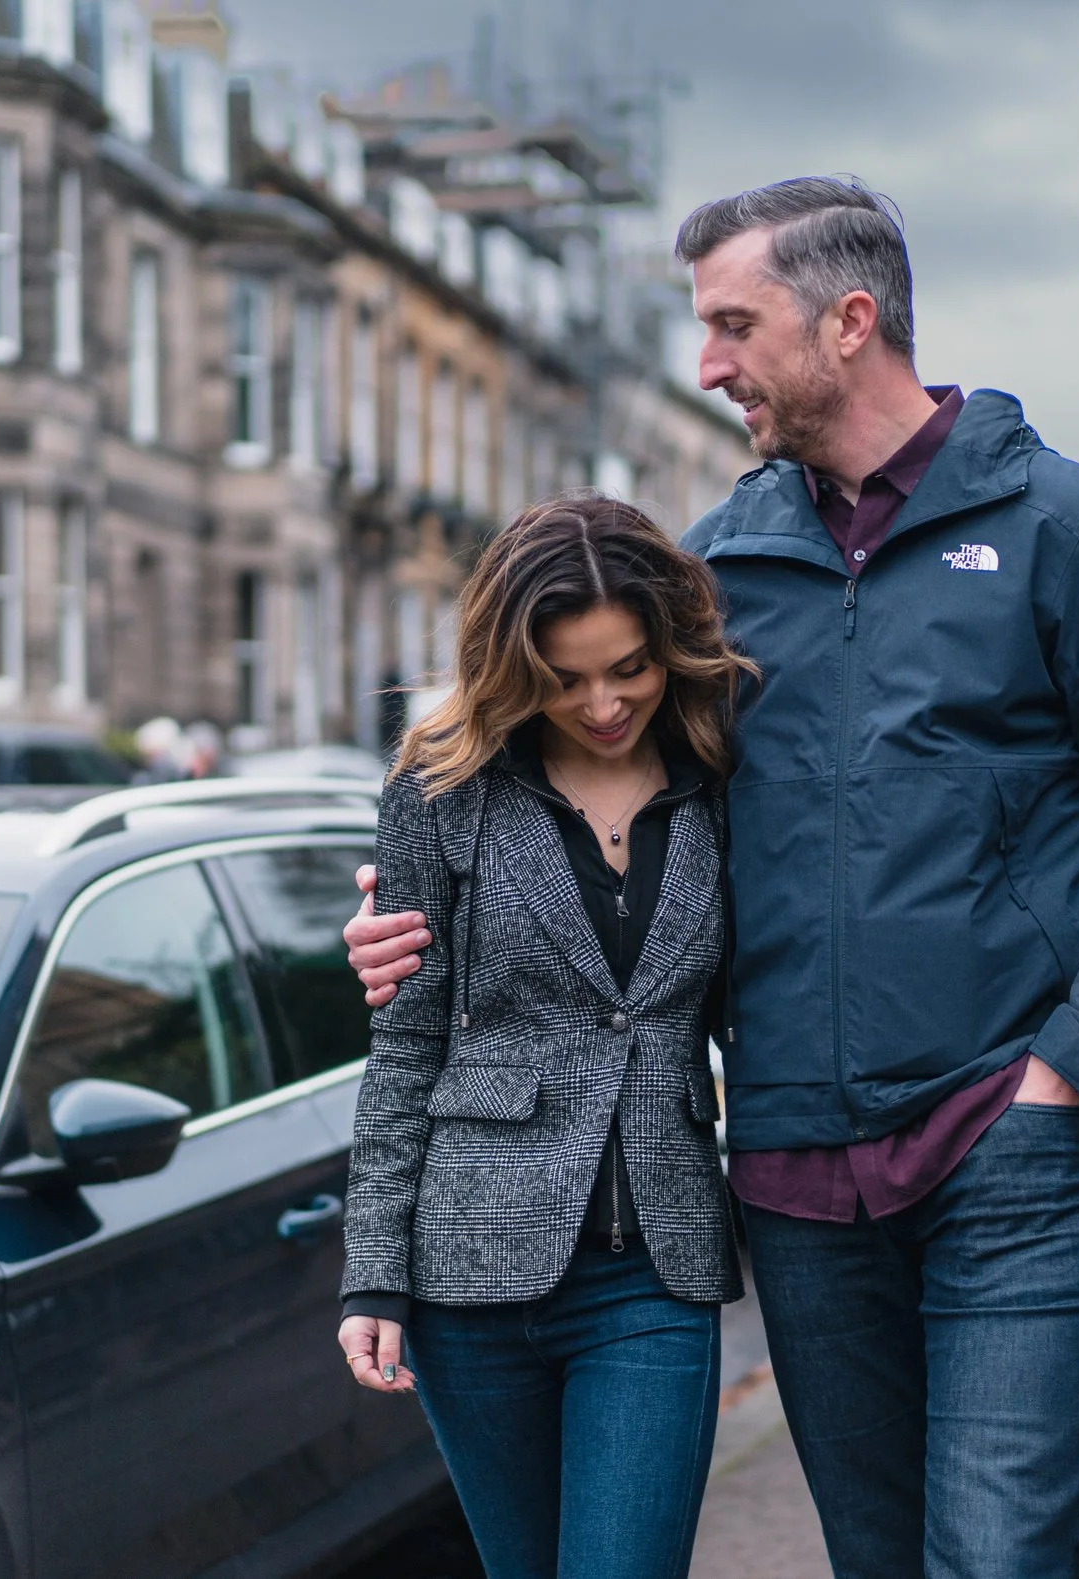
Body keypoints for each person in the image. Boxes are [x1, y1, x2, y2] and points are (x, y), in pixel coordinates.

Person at [347, 176, 1079, 1579]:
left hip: (1014, 1148)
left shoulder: (1067, 528)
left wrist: (1069, 1066)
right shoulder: (712, 573)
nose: (706, 366)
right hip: (795, 1178)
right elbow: (562, 786)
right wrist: (410, 921)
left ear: (848, 318)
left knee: (999, 1555)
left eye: (730, 325)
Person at [336, 494, 756, 1579]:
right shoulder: (443, 789)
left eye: (627, 666)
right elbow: (406, 1042)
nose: (604, 701)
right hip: (465, 1268)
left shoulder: (724, 777)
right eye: (565, 678)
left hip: (650, 1274)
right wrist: (373, 1269)